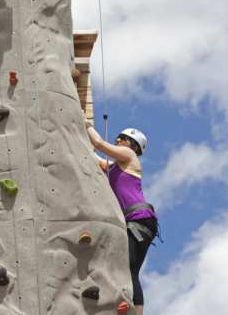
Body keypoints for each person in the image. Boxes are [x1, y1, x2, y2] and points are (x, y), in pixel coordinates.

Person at [86, 122, 158, 315]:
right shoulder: (114, 167)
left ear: (133, 146)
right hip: (137, 221)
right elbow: (96, 158)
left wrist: (86, 124)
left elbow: (100, 144)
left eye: (123, 138)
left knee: (129, 267)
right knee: (128, 269)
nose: (118, 139)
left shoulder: (130, 156)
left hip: (140, 219)